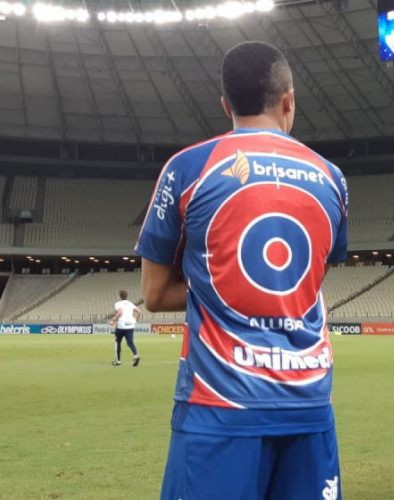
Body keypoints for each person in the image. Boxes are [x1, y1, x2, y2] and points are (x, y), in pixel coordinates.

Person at [136, 41, 348, 500]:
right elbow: (310, 278)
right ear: (288, 100)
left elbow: (153, 295)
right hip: (308, 402)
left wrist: (217, 285)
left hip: (219, 406)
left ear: (225, 104)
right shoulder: (332, 177)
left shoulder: (187, 168)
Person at [111, 290, 141, 367]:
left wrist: (114, 319)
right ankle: (136, 355)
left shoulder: (118, 304)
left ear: (120, 296)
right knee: (130, 342)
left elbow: (120, 312)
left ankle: (118, 361)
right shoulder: (130, 303)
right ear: (127, 296)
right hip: (130, 325)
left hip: (121, 326)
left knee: (118, 342)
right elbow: (139, 312)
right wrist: (135, 320)